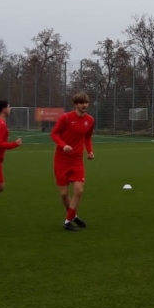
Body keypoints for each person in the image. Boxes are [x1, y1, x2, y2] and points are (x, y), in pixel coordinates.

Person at [51, 92, 95, 231]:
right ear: (75, 104)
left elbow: (87, 137)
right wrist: (64, 146)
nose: (84, 105)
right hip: (62, 159)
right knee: (64, 193)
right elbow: (53, 133)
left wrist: (90, 151)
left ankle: (67, 221)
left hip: (77, 160)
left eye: (86, 102)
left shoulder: (90, 120)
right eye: (81, 103)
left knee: (79, 190)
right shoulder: (66, 118)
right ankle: (73, 216)